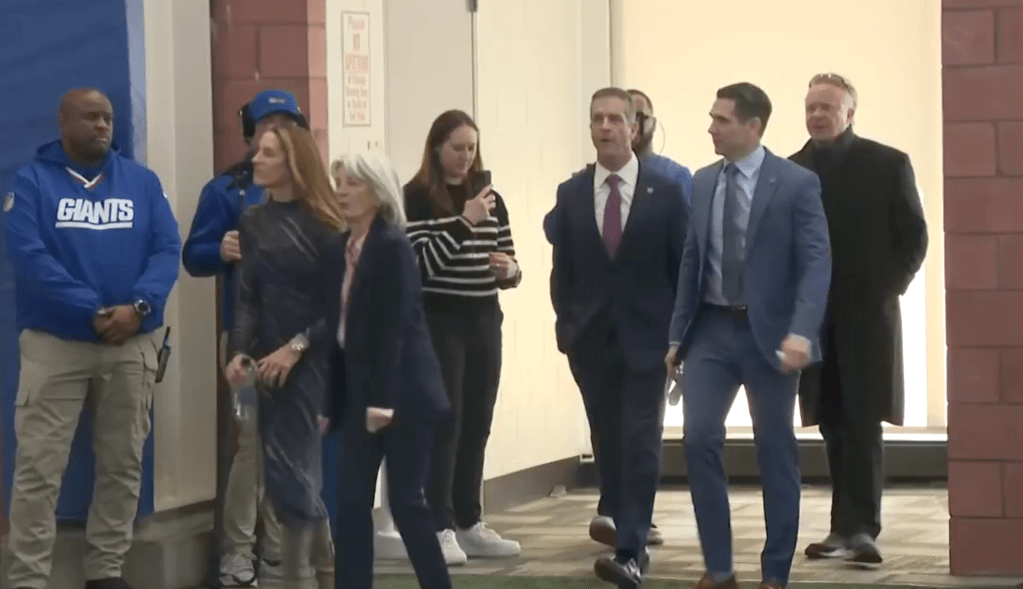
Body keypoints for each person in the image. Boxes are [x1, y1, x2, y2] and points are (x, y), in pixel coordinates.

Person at [3, 87, 181, 589]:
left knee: (123, 463)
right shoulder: (32, 182)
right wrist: (93, 310)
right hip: (55, 343)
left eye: (107, 118)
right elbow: (30, 259)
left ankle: (105, 571)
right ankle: (27, 577)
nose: (102, 126)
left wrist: (140, 306)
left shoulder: (142, 183)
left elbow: (167, 249)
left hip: (131, 343)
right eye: (90, 117)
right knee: (38, 468)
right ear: (63, 121)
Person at [665, 82, 831, 589]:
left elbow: (816, 262)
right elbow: (692, 261)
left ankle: (775, 571)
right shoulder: (701, 181)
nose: (711, 127)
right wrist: (677, 336)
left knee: (774, 448)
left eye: (722, 120)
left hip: (773, 337)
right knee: (698, 441)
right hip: (712, 332)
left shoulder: (796, 183)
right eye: (712, 118)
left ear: (754, 126)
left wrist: (803, 331)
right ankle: (719, 567)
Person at [548, 87, 689, 589]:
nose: (605, 127)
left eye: (615, 119)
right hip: (591, 341)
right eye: (596, 119)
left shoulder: (667, 194)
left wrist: (680, 338)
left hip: (649, 341)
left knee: (639, 439)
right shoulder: (571, 194)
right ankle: (621, 525)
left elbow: (682, 271)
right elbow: (562, 270)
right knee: (607, 440)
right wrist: (566, 328)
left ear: (634, 128)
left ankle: (631, 550)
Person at [790, 73, 928, 566]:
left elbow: (914, 236)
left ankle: (863, 530)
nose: (817, 115)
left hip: (869, 318)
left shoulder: (887, 163)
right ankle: (839, 529)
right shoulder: (791, 171)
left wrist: (886, 288)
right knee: (832, 423)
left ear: (850, 112)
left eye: (827, 106)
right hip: (815, 320)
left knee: (865, 422)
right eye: (811, 107)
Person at [309, 150, 453, 589]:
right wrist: (329, 404)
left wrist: (384, 402)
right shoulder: (336, 249)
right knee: (349, 503)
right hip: (356, 396)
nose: (342, 191)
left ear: (377, 192)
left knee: (408, 502)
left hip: (404, 395)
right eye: (339, 182)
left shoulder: (393, 246)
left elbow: (398, 327)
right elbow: (335, 331)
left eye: (353, 183)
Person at [183, 88, 309, 585]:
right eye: (267, 122)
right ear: (249, 132)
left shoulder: (315, 189)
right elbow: (193, 257)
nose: (277, 130)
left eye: (287, 121)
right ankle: (237, 554)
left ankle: (277, 554)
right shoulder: (226, 191)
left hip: (301, 341)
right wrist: (222, 247)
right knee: (252, 446)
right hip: (246, 341)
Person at [403, 109, 522, 564]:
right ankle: (439, 524)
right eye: (457, 148)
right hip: (439, 318)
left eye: (472, 148)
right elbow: (418, 268)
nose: (465, 158)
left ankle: (470, 521)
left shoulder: (491, 197)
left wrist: (511, 270)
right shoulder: (416, 198)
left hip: (483, 316)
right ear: (437, 149)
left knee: (478, 419)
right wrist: (464, 221)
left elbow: (510, 260)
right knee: (445, 421)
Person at [223, 125, 338, 589]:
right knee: (277, 471)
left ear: (294, 162)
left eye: (268, 153)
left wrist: (296, 348)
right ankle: (314, 572)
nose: (257, 160)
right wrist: (237, 355)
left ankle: (308, 576)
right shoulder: (254, 222)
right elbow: (249, 298)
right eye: (257, 152)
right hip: (262, 366)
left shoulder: (328, 223)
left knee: (296, 473)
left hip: (313, 363)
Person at [628, 88, 694, 201]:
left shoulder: (676, 176)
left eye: (641, 117)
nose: (635, 124)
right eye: (628, 118)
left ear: (654, 123)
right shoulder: (605, 175)